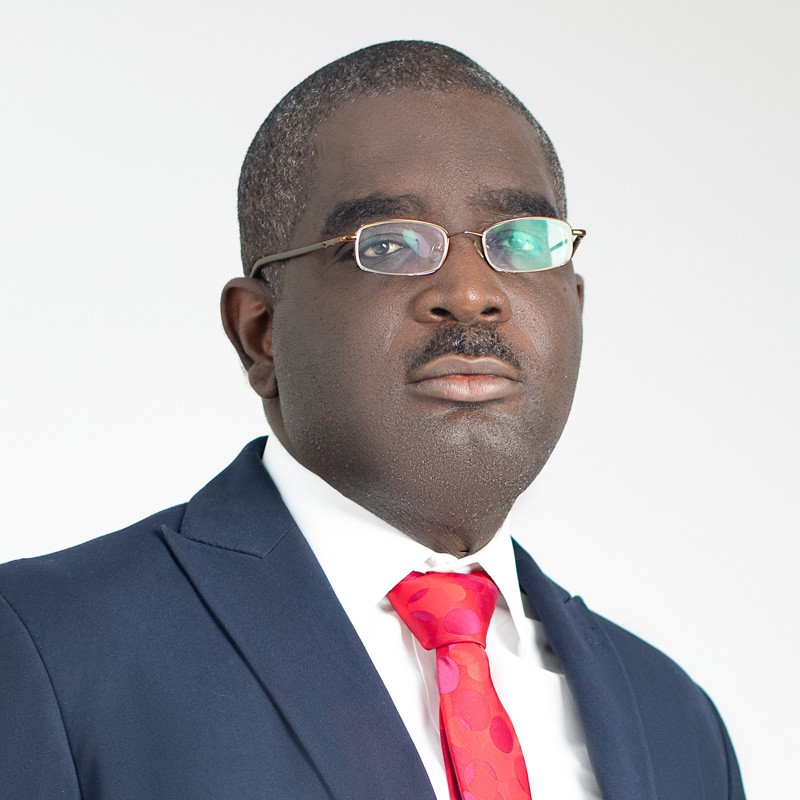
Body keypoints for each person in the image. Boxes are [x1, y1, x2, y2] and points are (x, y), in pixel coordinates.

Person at [0, 41, 745, 800]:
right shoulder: (43, 647)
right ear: (260, 332)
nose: (471, 293)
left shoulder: (676, 721)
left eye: (520, 243)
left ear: (576, 306)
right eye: (388, 244)